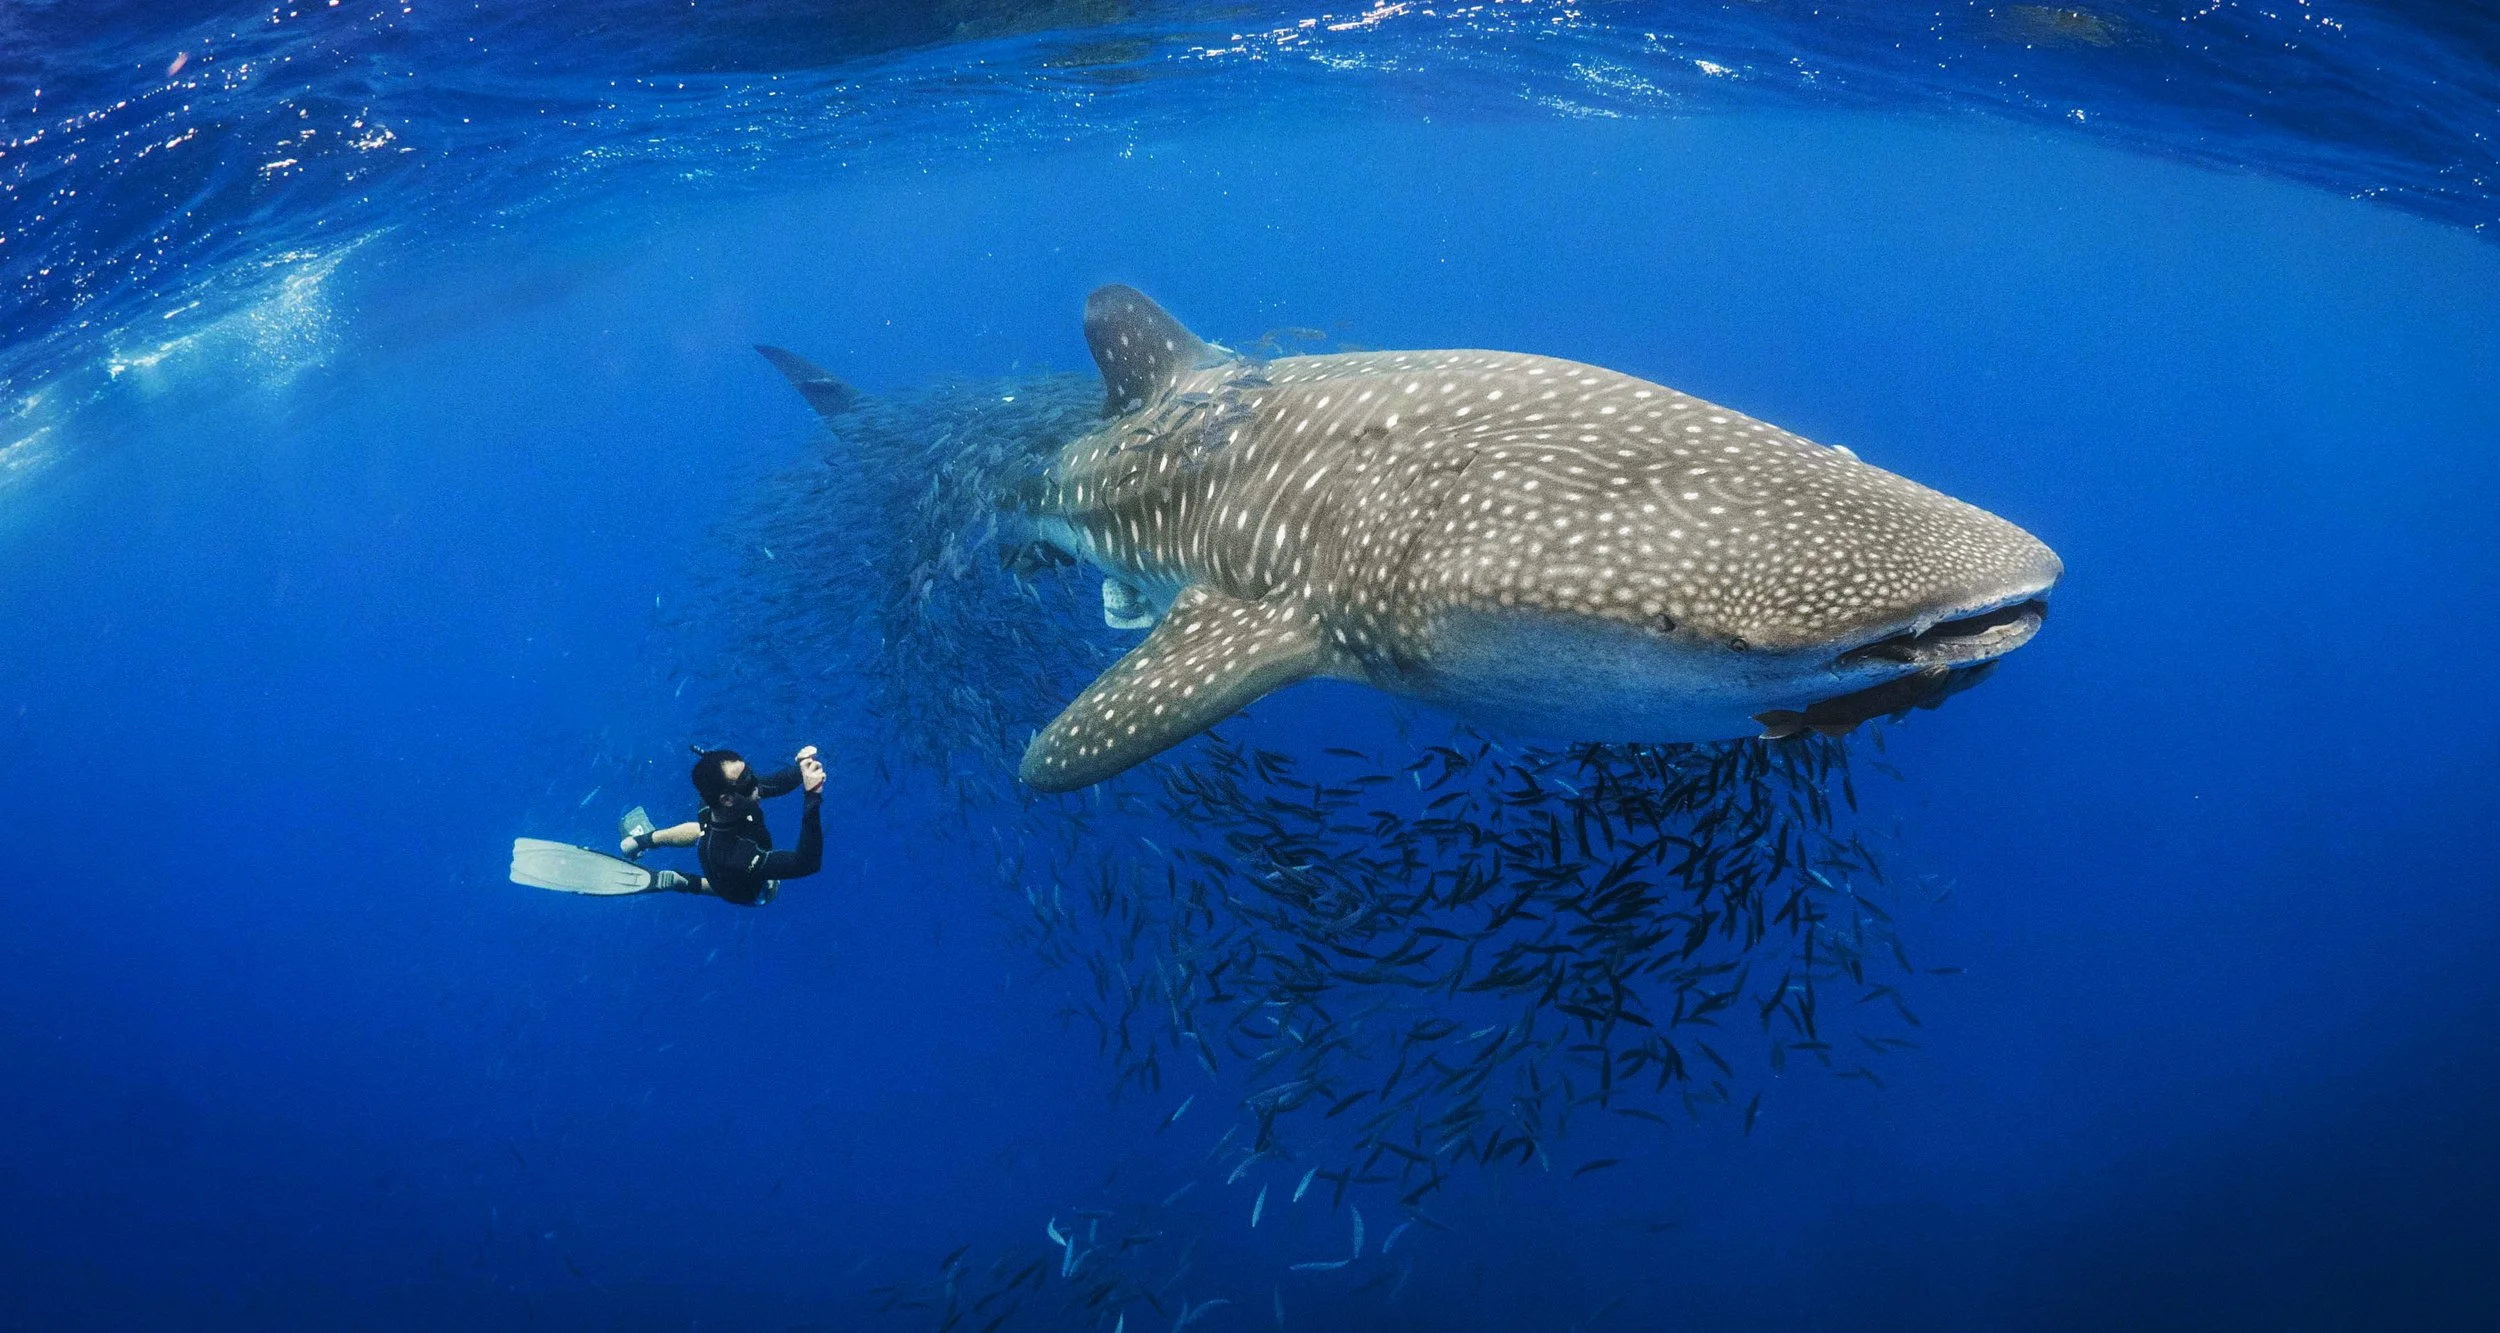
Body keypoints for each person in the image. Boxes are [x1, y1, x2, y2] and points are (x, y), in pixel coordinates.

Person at [621, 744, 825, 906]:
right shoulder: (737, 855)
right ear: (727, 799)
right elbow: (806, 863)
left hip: (712, 841)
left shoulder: (716, 801)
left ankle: (640, 841)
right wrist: (812, 796)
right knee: (758, 891)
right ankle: (685, 882)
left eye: (749, 772)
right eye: (746, 780)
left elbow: (772, 784)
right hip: (744, 886)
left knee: (702, 830)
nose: (756, 782)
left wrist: (801, 769)